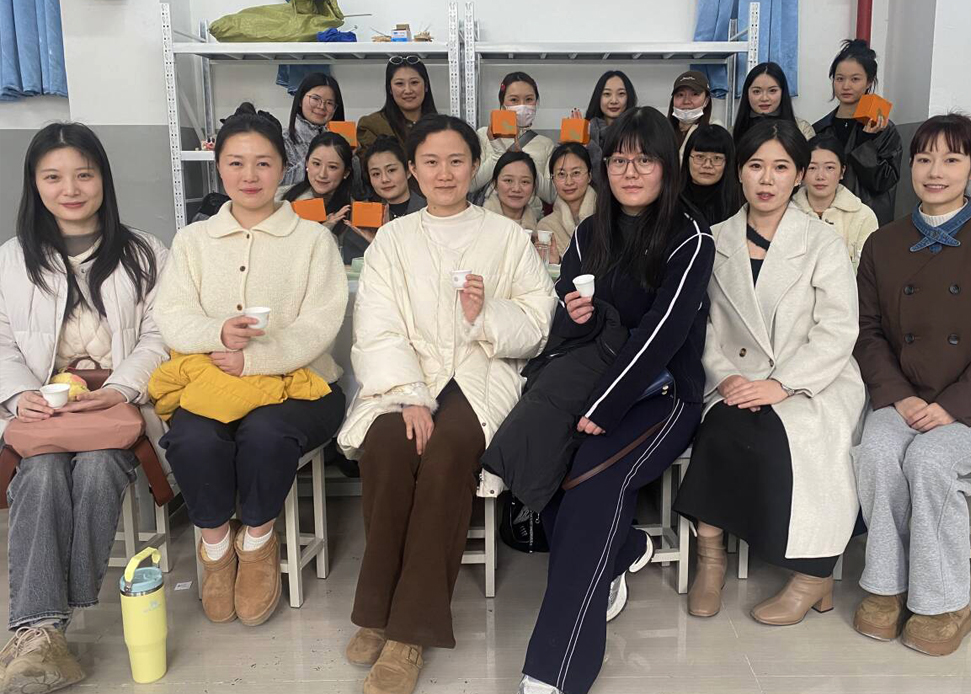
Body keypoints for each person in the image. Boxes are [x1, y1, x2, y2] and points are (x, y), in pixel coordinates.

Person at [337, 114, 556, 694]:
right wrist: (409, 395)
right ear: (413, 170)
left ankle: (409, 633)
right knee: (387, 445)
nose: (444, 173)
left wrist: (485, 313)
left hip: (481, 375)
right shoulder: (393, 239)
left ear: (474, 166)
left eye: (456, 161)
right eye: (430, 162)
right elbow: (376, 325)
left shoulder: (506, 238)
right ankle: (376, 609)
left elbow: (539, 322)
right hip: (408, 375)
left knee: (447, 453)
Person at [518, 107, 714, 694]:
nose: (630, 172)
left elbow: (663, 335)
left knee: (590, 482)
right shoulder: (588, 232)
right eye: (620, 160)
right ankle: (623, 547)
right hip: (591, 385)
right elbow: (566, 319)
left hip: (664, 395)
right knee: (541, 457)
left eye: (645, 160)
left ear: (666, 167)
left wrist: (602, 408)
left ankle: (556, 671)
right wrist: (573, 315)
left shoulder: (690, 237)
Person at [154, 103, 347, 628]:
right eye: (236, 163)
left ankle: (258, 541)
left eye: (263, 163)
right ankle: (216, 546)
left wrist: (255, 358)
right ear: (219, 167)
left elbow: (322, 322)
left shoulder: (312, 239)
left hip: (303, 386)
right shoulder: (193, 241)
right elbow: (172, 314)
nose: (249, 176)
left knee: (265, 434)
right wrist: (217, 333)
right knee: (192, 438)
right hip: (215, 383)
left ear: (284, 167)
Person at [674, 119, 865, 627]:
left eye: (781, 167)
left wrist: (782, 384)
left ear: (799, 175)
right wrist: (725, 376)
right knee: (720, 429)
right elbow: (701, 324)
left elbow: (838, 329)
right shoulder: (713, 240)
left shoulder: (822, 242)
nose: (766, 179)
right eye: (756, 165)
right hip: (737, 377)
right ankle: (711, 560)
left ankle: (812, 573)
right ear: (739, 172)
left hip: (812, 379)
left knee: (800, 442)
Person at [0, 122, 168, 692]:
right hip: (41, 414)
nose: (70, 189)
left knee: (97, 467)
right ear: (34, 183)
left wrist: (121, 387)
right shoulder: (12, 260)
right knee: (42, 473)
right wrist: (18, 393)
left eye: (83, 175)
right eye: (53, 177)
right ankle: (44, 630)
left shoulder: (145, 252)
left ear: (103, 179)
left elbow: (160, 335)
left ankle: (42, 631)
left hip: (115, 408)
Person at [852, 114, 971, 657]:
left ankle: (945, 602)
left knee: (930, 460)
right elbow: (867, 331)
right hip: (906, 393)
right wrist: (900, 395)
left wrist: (954, 406)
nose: (935, 171)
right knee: (876, 453)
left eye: (951, 159)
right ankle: (886, 586)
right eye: (924, 159)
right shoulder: (884, 242)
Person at [813, 39, 901, 226]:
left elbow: (883, 183)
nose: (846, 86)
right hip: (825, 222)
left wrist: (865, 142)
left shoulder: (884, 130)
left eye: (855, 79)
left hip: (867, 222)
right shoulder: (820, 129)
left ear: (869, 81)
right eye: (839, 79)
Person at [471, 72, 555, 213]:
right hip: (490, 217)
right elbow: (472, 185)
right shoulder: (484, 136)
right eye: (514, 100)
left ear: (536, 102)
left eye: (529, 99)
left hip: (530, 220)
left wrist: (524, 161)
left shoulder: (546, 144)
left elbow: (550, 195)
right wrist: (498, 153)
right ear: (502, 103)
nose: (522, 106)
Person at [793, 135, 878, 270]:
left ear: (842, 172)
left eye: (829, 168)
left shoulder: (863, 216)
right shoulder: (787, 212)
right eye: (812, 168)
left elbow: (869, 272)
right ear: (802, 172)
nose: (820, 176)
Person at [280, 131, 366, 264]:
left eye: (332, 167)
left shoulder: (354, 214)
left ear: (346, 172)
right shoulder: (280, 199)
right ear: (307, 163)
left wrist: (326, 230)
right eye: (316, 164)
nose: (322, 174)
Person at [357, 57, 437, 153]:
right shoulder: (372, 126)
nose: (408, 90)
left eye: (414, 82)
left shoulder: (442, 126)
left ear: (426, 86)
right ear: (390, 89)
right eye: (399, 84)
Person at [282, 72, 345, 185]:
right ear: (300, 100)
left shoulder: (339, 140)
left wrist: (351, 157)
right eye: (315, 98)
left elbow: (354, 186)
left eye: (329, 103)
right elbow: (278, 182)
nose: (322, 106)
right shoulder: (283, 140)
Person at [537, 142, 596, 260]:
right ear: (553, 179)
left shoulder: (608, 215)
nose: (569, 182)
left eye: (576, 173)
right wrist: (557, 262)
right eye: (561, 174)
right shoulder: (546, 227)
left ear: (589, 176)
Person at [732, 62, 815, 145]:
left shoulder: (802, 129)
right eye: (756, 91)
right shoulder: (733, 132)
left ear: (783, 92)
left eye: (772, 91)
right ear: (747, 93)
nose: (764, 98)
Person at [680, 125, 742, 227]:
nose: (707, 165)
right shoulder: (671, 200)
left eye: (717, 158)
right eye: (700, 157)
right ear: (687, 159)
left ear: (728, 162)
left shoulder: (739, 204)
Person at [577, 70, 638, 172]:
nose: (614, 101)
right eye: (607, 94)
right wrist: (580, 140)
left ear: (629, 97)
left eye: (621, 94)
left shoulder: (638, 133)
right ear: (598, 97)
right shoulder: (586, 131)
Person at [362, 136, 426, 220]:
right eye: (376, 174)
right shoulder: (366, 217)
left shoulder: (431, 211)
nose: (384, 179)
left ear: (408, 171)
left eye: (391, 170)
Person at [483, 151, 539, 230]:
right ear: (495, 184)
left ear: (533, 187)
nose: (516, 189)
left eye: (524, 182)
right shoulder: (479, 224)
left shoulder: (540, 231)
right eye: (508, 180)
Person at [669, 70, 714, 158]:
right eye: (680, 95)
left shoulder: (714, 132)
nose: (686, 101)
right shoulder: (663, 130)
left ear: (706, 100)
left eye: (694, 94)